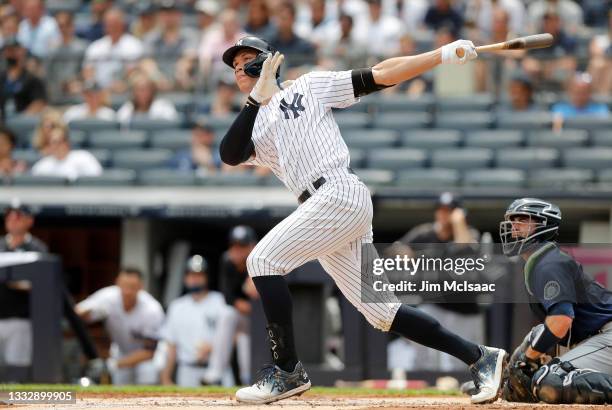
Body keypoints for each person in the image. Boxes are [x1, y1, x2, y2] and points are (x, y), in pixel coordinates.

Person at [219, 35, 507, 404]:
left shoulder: (308, 86)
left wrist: (440, 55)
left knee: (262, 260)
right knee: (381, 312)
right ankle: (481, 357)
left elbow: (381, 74)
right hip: (321, 209)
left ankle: (287, 370)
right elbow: (229, 154)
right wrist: (256, 98)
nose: (241, 68)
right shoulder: (255, 122)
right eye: (235, 65)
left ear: (269, 61)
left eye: (248, 60)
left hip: (338, 192)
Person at [497, 198, 612, 404]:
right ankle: (502, 384)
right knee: (533, 340)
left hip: (607, 335)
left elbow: (561, 321)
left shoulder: (549, 264)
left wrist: (527, 360)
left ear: (544, 225)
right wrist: (518, 371)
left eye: (523, 219)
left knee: (552, 380)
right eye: (513, 220)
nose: (514, 226)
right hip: (593, 337)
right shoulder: (541, 260)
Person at [388, 192, 483, 372]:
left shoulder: (468, 232)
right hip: (435, 303)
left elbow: (466, 248)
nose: (444, 214)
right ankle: (423, 383)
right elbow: (396, 249)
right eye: (441, 210)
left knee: (457, 363)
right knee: (419, 339)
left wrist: (458, 222)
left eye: (449, 211)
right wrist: (406, 254)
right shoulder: (425, 233)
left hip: (463, 308)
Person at [76, 268, 164, 385]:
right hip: (121, 350)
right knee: (121, 386)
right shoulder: (108, 297)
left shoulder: (152, 309)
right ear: (117, 283)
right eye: (124, 285)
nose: (127, 291)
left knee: (146, 373)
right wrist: (89, 313)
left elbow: (149, 352)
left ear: (140, 286)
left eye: (132, 287)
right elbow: (79, 312)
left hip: (148, 356)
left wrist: (113, 364)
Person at [160, 255, 239, 387]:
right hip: (187, 370)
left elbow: (237, 335)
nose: (195, 279)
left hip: (218, 369)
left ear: (207, 277)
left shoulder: (221, 301)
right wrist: (166, 377)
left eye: (199, 275)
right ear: (185, 278)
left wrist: (214, 347)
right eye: (191, 275)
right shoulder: (176, 306)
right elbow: (171, 345)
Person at [0, 199, 47, 369]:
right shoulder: (0, 245)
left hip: (21, 319)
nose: (12, 219)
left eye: (18, 216)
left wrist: (18, 283)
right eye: (9, 216)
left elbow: (43, 284)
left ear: (29, 220)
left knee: (16, 370)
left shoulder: (37, 248)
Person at [219, 226, 259, 384]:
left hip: (264, 319)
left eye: (242, 246)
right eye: (235, 245)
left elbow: (254, 293)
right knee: (228, 316)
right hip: (244, 315)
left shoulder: (260, 260)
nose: (238, 250)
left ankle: (249, 379)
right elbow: (228, 297)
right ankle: (215, 373)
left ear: (253, 246)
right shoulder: (228, 262)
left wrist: (250, 268)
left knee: (247, 345)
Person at [83, 8, 144, 91]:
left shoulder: (133, 45)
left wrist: (123, 84)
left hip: (125, 91)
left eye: (115, 23)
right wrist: (93, 84)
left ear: (122, 24)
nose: (111, 26)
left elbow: (132, 72)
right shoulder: (96, 46)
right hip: (98, 92)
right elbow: (88, 70)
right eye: (108, 23)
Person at [45, 10, 87, 103]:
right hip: (56, 97)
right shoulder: (51, 49)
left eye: (66, 25)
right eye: (60, 26)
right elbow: (48, 75)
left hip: (77, 95)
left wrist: (76, 82)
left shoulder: (82, 47)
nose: (63, 29)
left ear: (72, 26)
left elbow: (85, 73)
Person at [31, 126, 102, 181]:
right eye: (53, 143)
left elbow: (96, 179)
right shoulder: (43, 165)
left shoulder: (84, 157)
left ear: (67, 143)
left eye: (59, 142)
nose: (56, 146)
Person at [0, 37, 46, 120]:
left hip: (24, 123)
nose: (10, 54)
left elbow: (39, 102)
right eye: (8, 51)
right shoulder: (2, 78)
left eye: (13, 50)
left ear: (22, 52)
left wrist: (22, 118)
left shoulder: (32, 78)